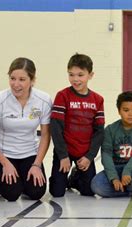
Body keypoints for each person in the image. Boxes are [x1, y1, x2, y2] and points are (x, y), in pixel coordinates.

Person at [0, 58, 51, 201]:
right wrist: (5, 163)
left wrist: (37, 164)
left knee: (36, 192)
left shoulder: (44, 100)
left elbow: (45, 135)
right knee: (11, 194)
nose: (16, 84)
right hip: (4, 153)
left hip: (30, 153)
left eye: (22, 79)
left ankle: (22, 177)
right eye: (12, 78)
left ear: (32, 80)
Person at [50, 53, 105, 197]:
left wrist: (90, 156)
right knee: (57, 192)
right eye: (71, 74)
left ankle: (75, 177)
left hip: (84, 152)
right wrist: (62, 156)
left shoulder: (98, 99)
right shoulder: (62, 96)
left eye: (80, 75)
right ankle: (62, 178)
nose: (75, 79)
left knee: (88, 191)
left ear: (90, 75)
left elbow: (99, 131)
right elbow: (55, 128)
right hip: (65, 151)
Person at [91, 91, 132, 197]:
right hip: (118, 167)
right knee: (96, 186)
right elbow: (106, 154)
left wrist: (127, 171)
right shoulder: (110, 130)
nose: (130, 113)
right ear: (119, 111)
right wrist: (114, 178)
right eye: (126, 110)